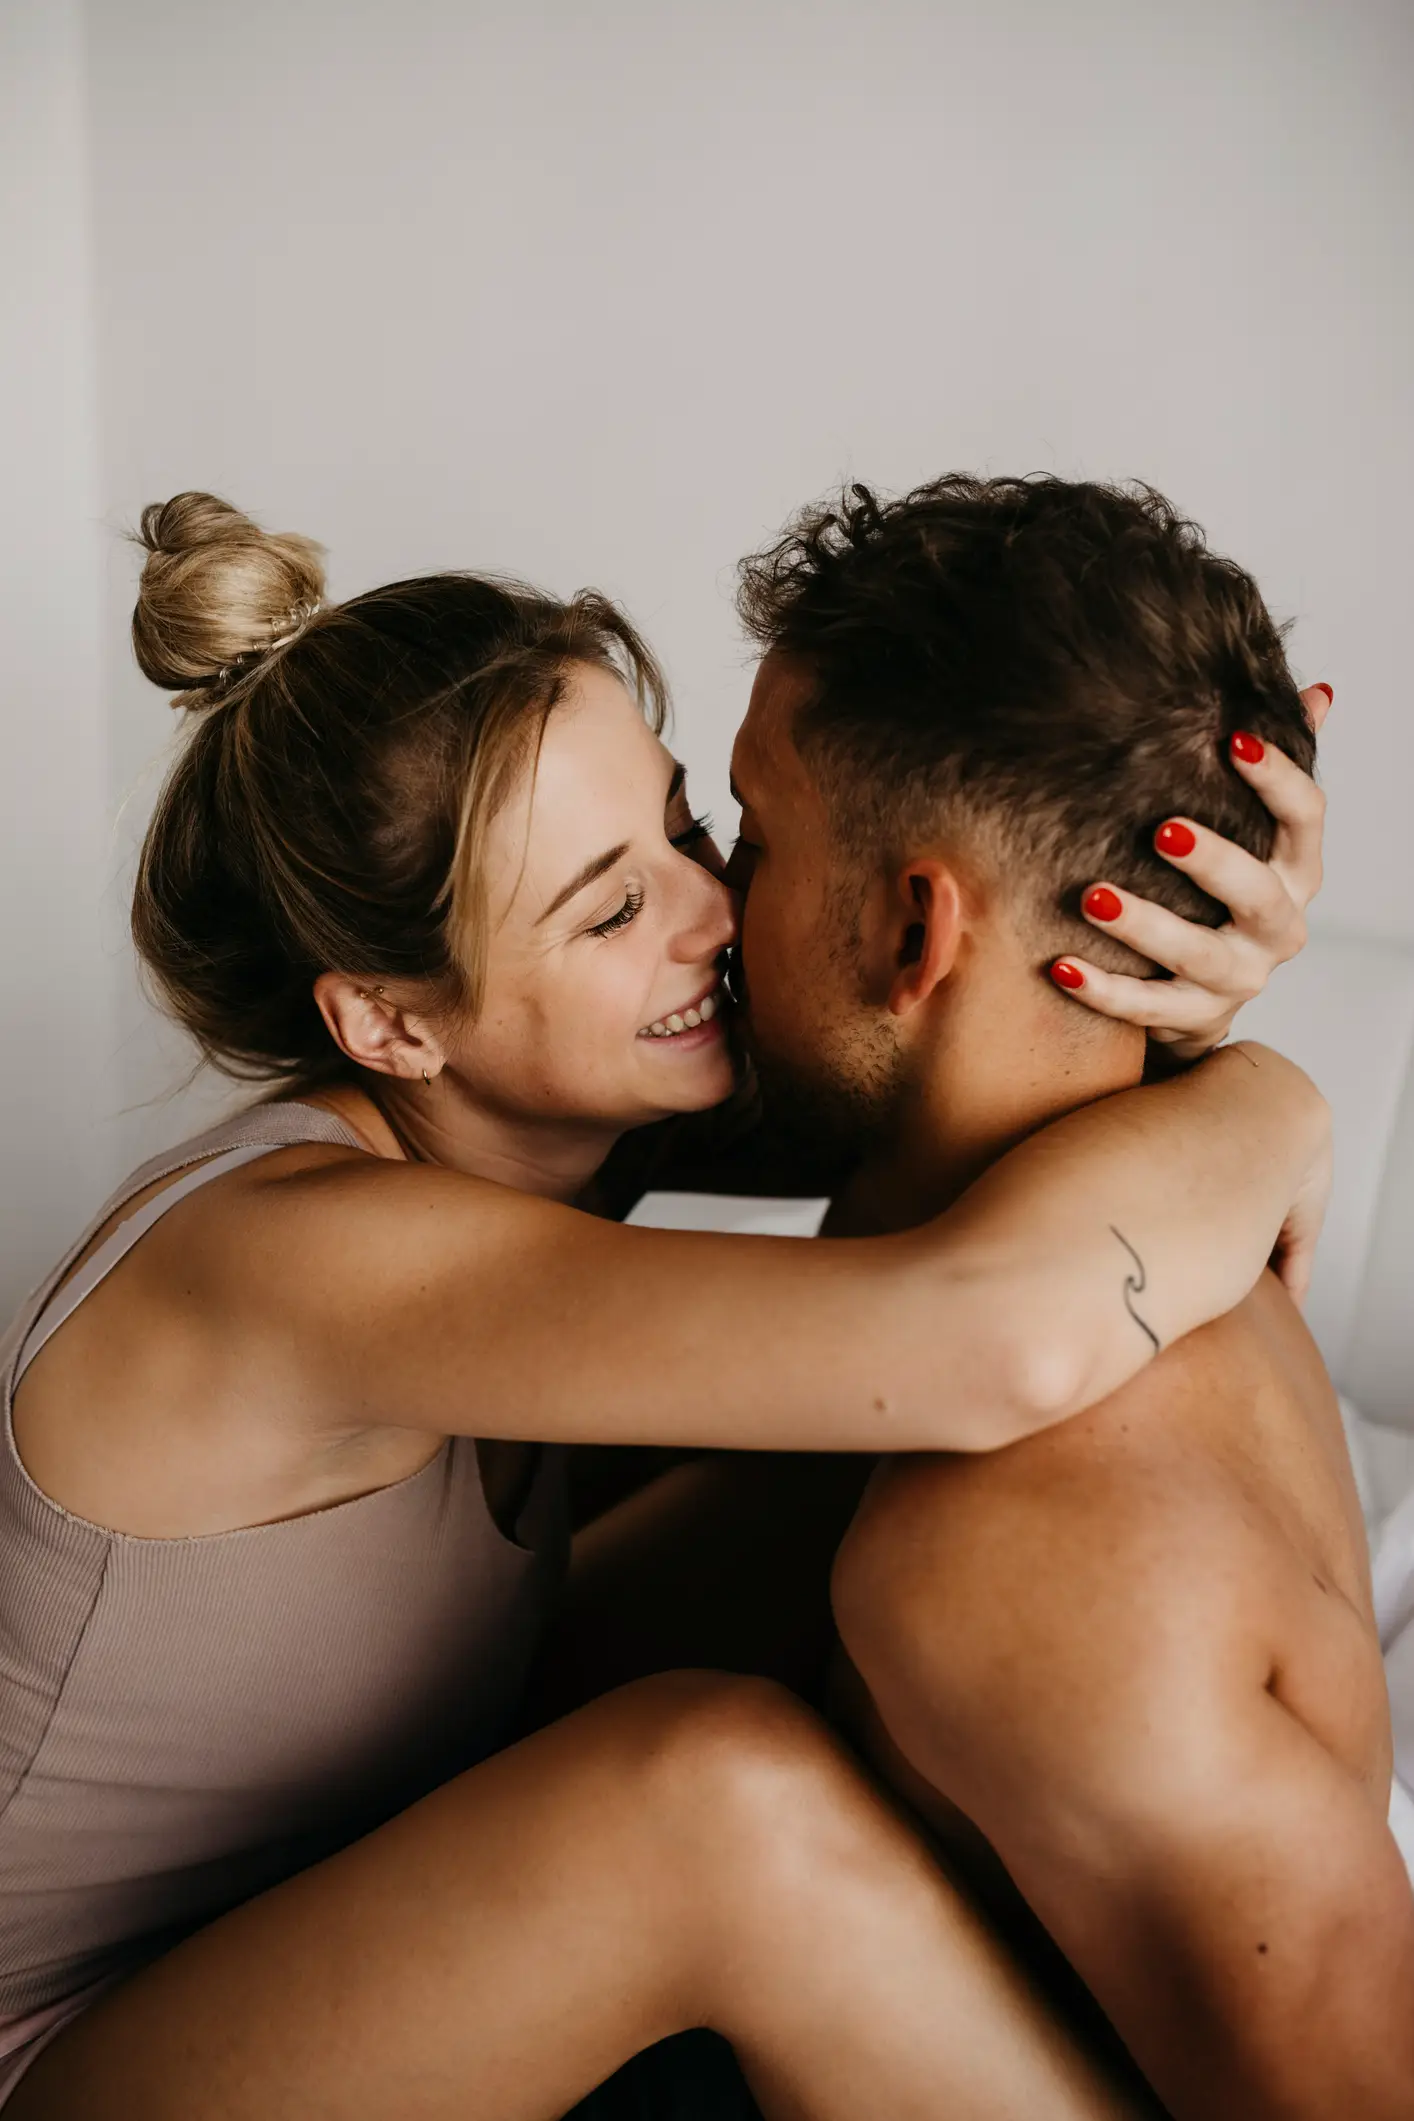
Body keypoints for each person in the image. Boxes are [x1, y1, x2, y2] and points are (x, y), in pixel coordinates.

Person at [1, 490, 1328, 2120]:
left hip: (315, 1925)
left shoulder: (554, 1130)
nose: (713, 914)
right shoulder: (294, 1260)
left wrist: (1163, 963)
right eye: (611, 908)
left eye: (693, 834)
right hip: (65, 2054)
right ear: (391, 1026)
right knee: (714, 1797)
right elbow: (996, 1334)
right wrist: (1271, 1098)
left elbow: (940, 1089)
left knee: (853, 1490)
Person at [711, 472, 1411, 2120]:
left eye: (749, 840)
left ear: (911, 929)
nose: (703, 910)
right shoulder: (1132, 1217)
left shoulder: (1031, 1565)